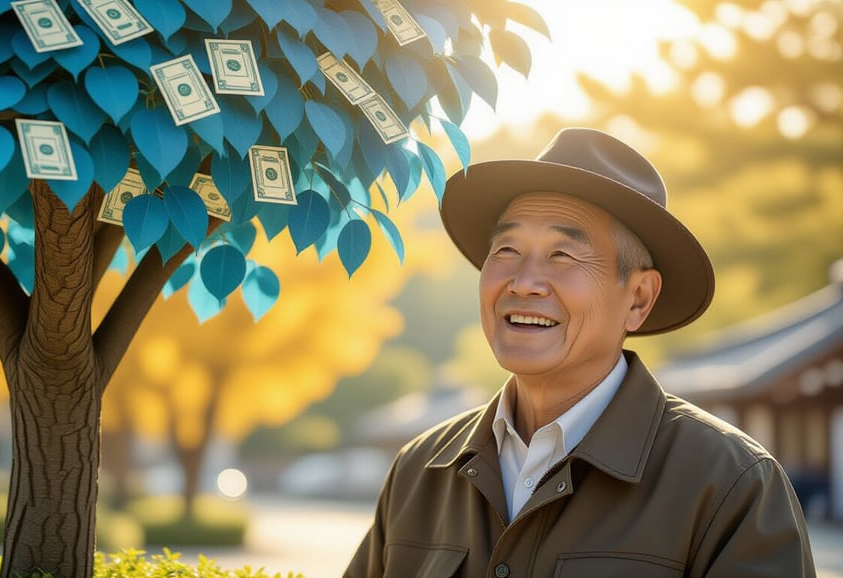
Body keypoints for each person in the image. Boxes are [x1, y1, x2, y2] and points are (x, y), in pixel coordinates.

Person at [345, 128, 815, 577]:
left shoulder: (729, 484)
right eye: (506, 249)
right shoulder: (420, 471)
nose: (524, 282)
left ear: (638, 300)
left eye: (562, 256)